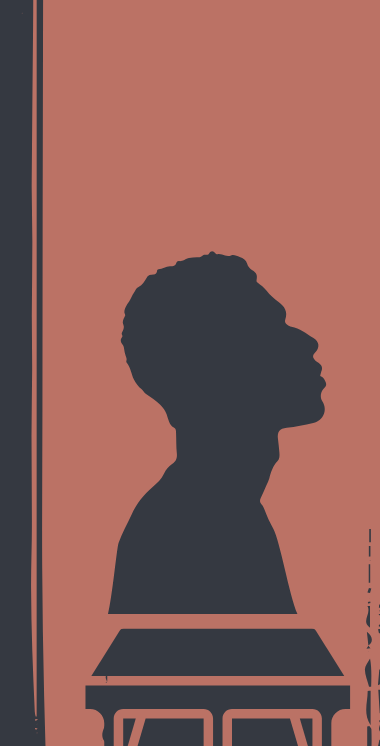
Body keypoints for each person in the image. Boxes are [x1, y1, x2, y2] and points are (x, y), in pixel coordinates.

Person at [109, 253, 325, 614]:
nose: (307, 341)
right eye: (272, 329)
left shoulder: (228, 513)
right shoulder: (195, 534)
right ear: (216, 369)